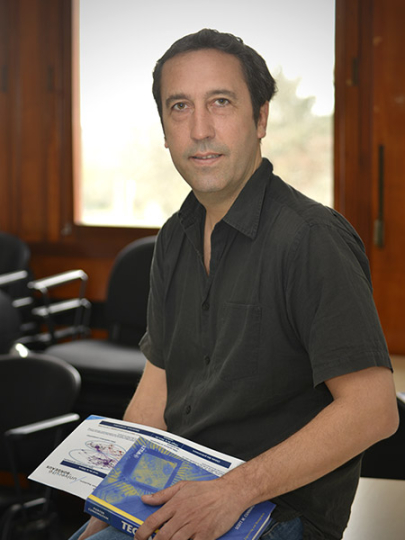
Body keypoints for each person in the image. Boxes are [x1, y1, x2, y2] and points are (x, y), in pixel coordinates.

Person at [70, 29, 399, 540]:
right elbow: (154, 394)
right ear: (164, 130)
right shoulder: (173, 238)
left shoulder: (311, 239)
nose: (200, 129)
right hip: (181, 492)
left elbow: (374, 411)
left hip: (278, 513)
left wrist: (231, 492)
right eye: (180, 107)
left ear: (261, 118)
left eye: (220, 102)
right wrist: (114, 500)